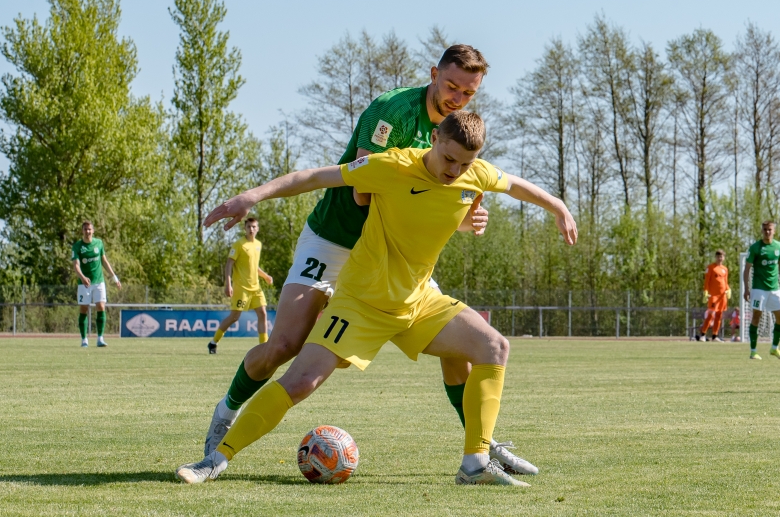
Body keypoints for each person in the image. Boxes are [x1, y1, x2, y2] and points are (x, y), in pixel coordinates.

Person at [175, 111, 578, 486]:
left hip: (418, 302)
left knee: (493, 345)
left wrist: (557, 205)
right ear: (434, 138)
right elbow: (315, 177)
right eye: (448, 159)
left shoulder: (476, 174)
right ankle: (215, 460)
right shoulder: (393, 165)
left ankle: (474, 464)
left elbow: (514, 185)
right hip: (361, 302)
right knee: (300, 381)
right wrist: (253, 196)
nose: (454, 172)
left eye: (465, 164)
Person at [208, 217, 274, 354]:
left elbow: (254, 266)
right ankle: (213, 342)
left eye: (254, 227)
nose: (251, 229)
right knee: (234, 317)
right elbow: (229, 264)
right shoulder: (239, 245)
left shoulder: (258, 245)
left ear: (258, 229)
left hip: (256, 287)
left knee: (263, 313)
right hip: (241, 288)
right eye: (249, 226)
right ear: (245, 228)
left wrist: (265, 276)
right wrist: (228, 284)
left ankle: (264, 348)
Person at [71, 221, 122, 348]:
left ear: (93, 231)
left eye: (89, 229)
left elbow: (104, 261)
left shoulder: (99, 243)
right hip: (84, 283)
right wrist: (82, 277)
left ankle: (100, 338)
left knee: (101, 306)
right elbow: (76, 265)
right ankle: (84, 339)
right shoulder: (77, 246)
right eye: (85, 229)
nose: (87, 232)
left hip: (99, 281)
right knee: (84, 309)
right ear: (82, 231)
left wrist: (114, 277)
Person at [743, 221, 780, 360]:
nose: (767, 232)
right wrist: (746, 288)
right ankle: (753, 351)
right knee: (756, 317)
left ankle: (774, 348)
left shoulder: (779, 246)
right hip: (759, 288)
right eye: (765, 230)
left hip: (774, 289)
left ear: (774, 231)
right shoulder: (755, 247)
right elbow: (747, 269)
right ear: (762, 231)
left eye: (769, 230)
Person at [696, 250, 731, 341]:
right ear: (715, 257)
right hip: (714, 296)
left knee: (719, 315)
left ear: (723, 258)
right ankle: (703, 335)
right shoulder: (711, 267)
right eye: (718, 256)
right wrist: (706, 291)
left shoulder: (725, 269)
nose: (720, 258)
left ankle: (715, 336)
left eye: (721, 257)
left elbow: (725, 282)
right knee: (711, 314)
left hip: (722, 296)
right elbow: (707, 281)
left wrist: (728, 289)